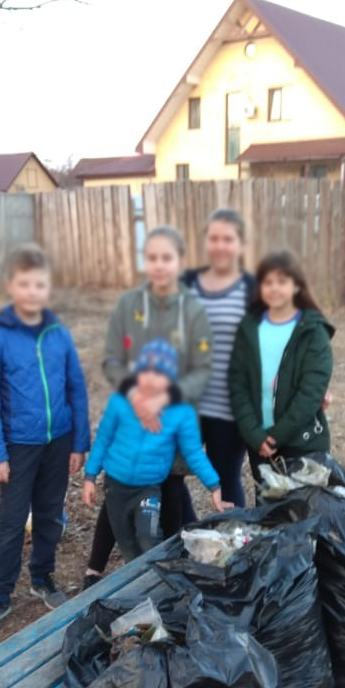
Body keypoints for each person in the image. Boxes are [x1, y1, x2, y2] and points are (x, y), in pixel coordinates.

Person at [82, 225, 212, 587]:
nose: (159, 265)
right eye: (152, 258)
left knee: (167, 486)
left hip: (174, 415)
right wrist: (136, 396)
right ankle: (95, 569)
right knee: (121, 485)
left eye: (167, 258)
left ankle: (163, 568)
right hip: (133, 411)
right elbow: (111, 360)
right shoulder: (128, 306)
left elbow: (202, 369)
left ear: (179, 261)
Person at [0, 244, 89, 636]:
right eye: (24, 284)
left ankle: (43, 577)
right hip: (18, 444)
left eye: (39, 284)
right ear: (11, 286)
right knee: (10, 522)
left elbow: (76, 386)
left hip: (59, 440)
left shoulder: (59, 333)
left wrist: (79, 442)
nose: (32, 291)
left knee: (50, 513)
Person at [82, 340, 226, 561]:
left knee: (149, 537)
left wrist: (214, 485)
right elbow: (103, 440)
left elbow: (193, 453)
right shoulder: (121, 402)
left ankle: (158, 578)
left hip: (148, 488)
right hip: (116, 486)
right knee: (128, 546)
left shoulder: (179, 412)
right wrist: (90, 476)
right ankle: (138, 586)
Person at [228, 250, 335, 492]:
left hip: (302, 442)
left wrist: (277, 437)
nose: (274, 288)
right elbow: (237, 386)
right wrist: (256, 436)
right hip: (260, 445)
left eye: (282, 281)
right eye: (268, 282)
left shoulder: (313, 332)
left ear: (297, 285)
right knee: (268, 516)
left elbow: (311, 392)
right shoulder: (248, 329)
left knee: (302, 518)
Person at [182, 207, 254, 507]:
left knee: (225, 476)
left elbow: (279, 343)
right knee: (168, 471)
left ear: (240, 244)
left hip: (231, 404)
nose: (220, 246)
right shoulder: (185, 284)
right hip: (187, 401)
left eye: (228, 238)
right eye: (214, 238)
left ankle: (232, 545)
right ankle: (184, 533)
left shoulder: (254, 290)